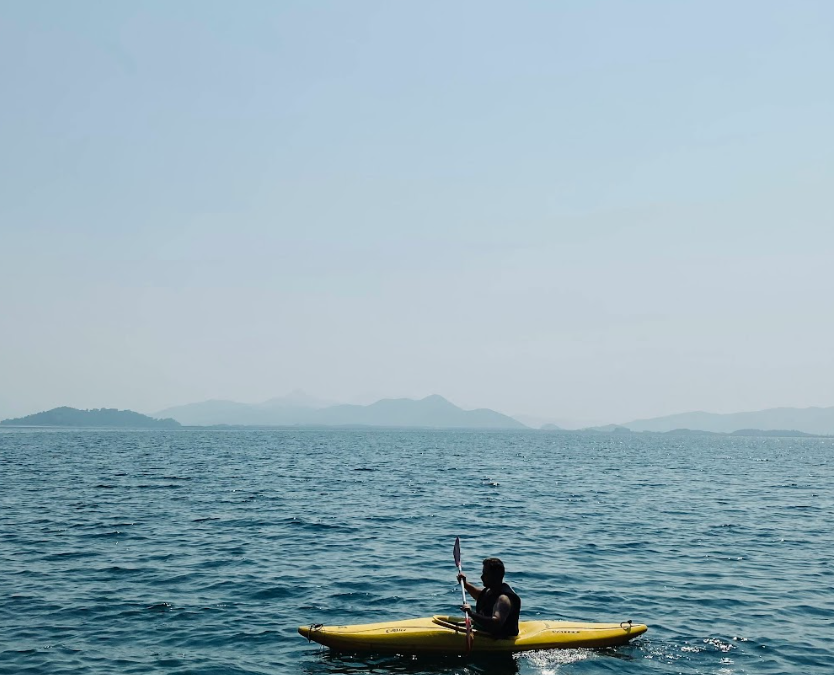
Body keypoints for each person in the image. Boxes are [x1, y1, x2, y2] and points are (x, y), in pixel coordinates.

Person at [457, 557, 521, 638]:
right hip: (485, 631)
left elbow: (496, 624)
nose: (482, 577)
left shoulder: (504, 599)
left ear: (495, 577)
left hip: (502, 639)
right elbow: (480, 596)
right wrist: (465, 584)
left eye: (485, 574)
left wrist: (471, 613)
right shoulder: (491, 590)